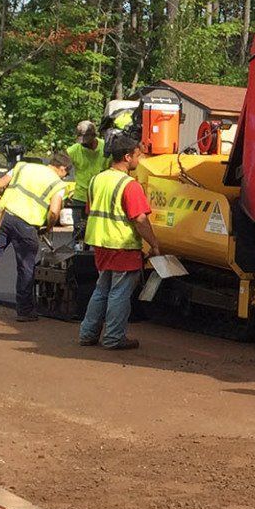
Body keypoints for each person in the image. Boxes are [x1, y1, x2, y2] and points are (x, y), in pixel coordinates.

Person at [0, 151, 72, 322]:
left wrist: (8, 197)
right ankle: (24, 311)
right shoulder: (58, 184)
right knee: (25, 267)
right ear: (63, 169)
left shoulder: (23, 167)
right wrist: (48, 226)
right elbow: (54, 211)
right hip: (27, 226)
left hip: (3, 217)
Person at [79, 132, 162, 352]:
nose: (139, 160)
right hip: (122, 244)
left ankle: (87, 334)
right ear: (127, 157)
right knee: (119, 294)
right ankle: (114, 338)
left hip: (100, 243)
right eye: (137, 155)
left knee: (101, 290)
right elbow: (140, 219)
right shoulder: (130, 185)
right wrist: (154, 244)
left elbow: (91, 210)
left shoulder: (96, 180)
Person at [64, 119, 107, 242]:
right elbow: (59, 165)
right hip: (81, 197)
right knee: (78, 232)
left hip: (100, 197)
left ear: (94, 136)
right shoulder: (74, 150)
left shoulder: (105, 148)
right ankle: (76, 257)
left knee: (98, 232)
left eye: (86, 142)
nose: (83, 144)